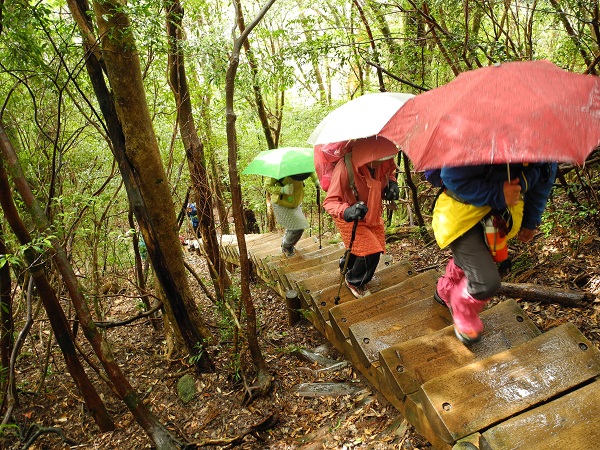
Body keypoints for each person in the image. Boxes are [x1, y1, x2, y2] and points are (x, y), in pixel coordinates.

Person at [432, 162, 557, 345]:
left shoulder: (546, 155)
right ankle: (461, 307)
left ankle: (446, 289)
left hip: (496, 220)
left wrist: (530, 222)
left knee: (475, 260)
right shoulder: (479, 141)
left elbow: (541, 185)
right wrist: (498, 193)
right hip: (459, 216)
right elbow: (451, 177)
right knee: (486, 282)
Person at [322, 138, 400, 298]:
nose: (380, 163)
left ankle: (346, 265)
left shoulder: (382, 158)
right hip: (349, 215)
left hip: (372, 211)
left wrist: (392, 184)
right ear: (365, 155)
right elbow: (330, 202)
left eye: (383, 159)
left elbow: (389, 172)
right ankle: (355, 280)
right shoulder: (345, 168)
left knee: (370, 243)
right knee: (371, 250)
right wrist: (347, 211)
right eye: (376, 160)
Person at [265, 172, 320, 257]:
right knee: (298, 228)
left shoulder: (300, 164)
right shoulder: (279, 169)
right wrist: (282, 190)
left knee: (293, 226)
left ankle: (286, 242)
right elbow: (267, 186)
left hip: (296, 202)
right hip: (281, 204)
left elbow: (310, 171)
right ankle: (286, 246)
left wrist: (316, 180)